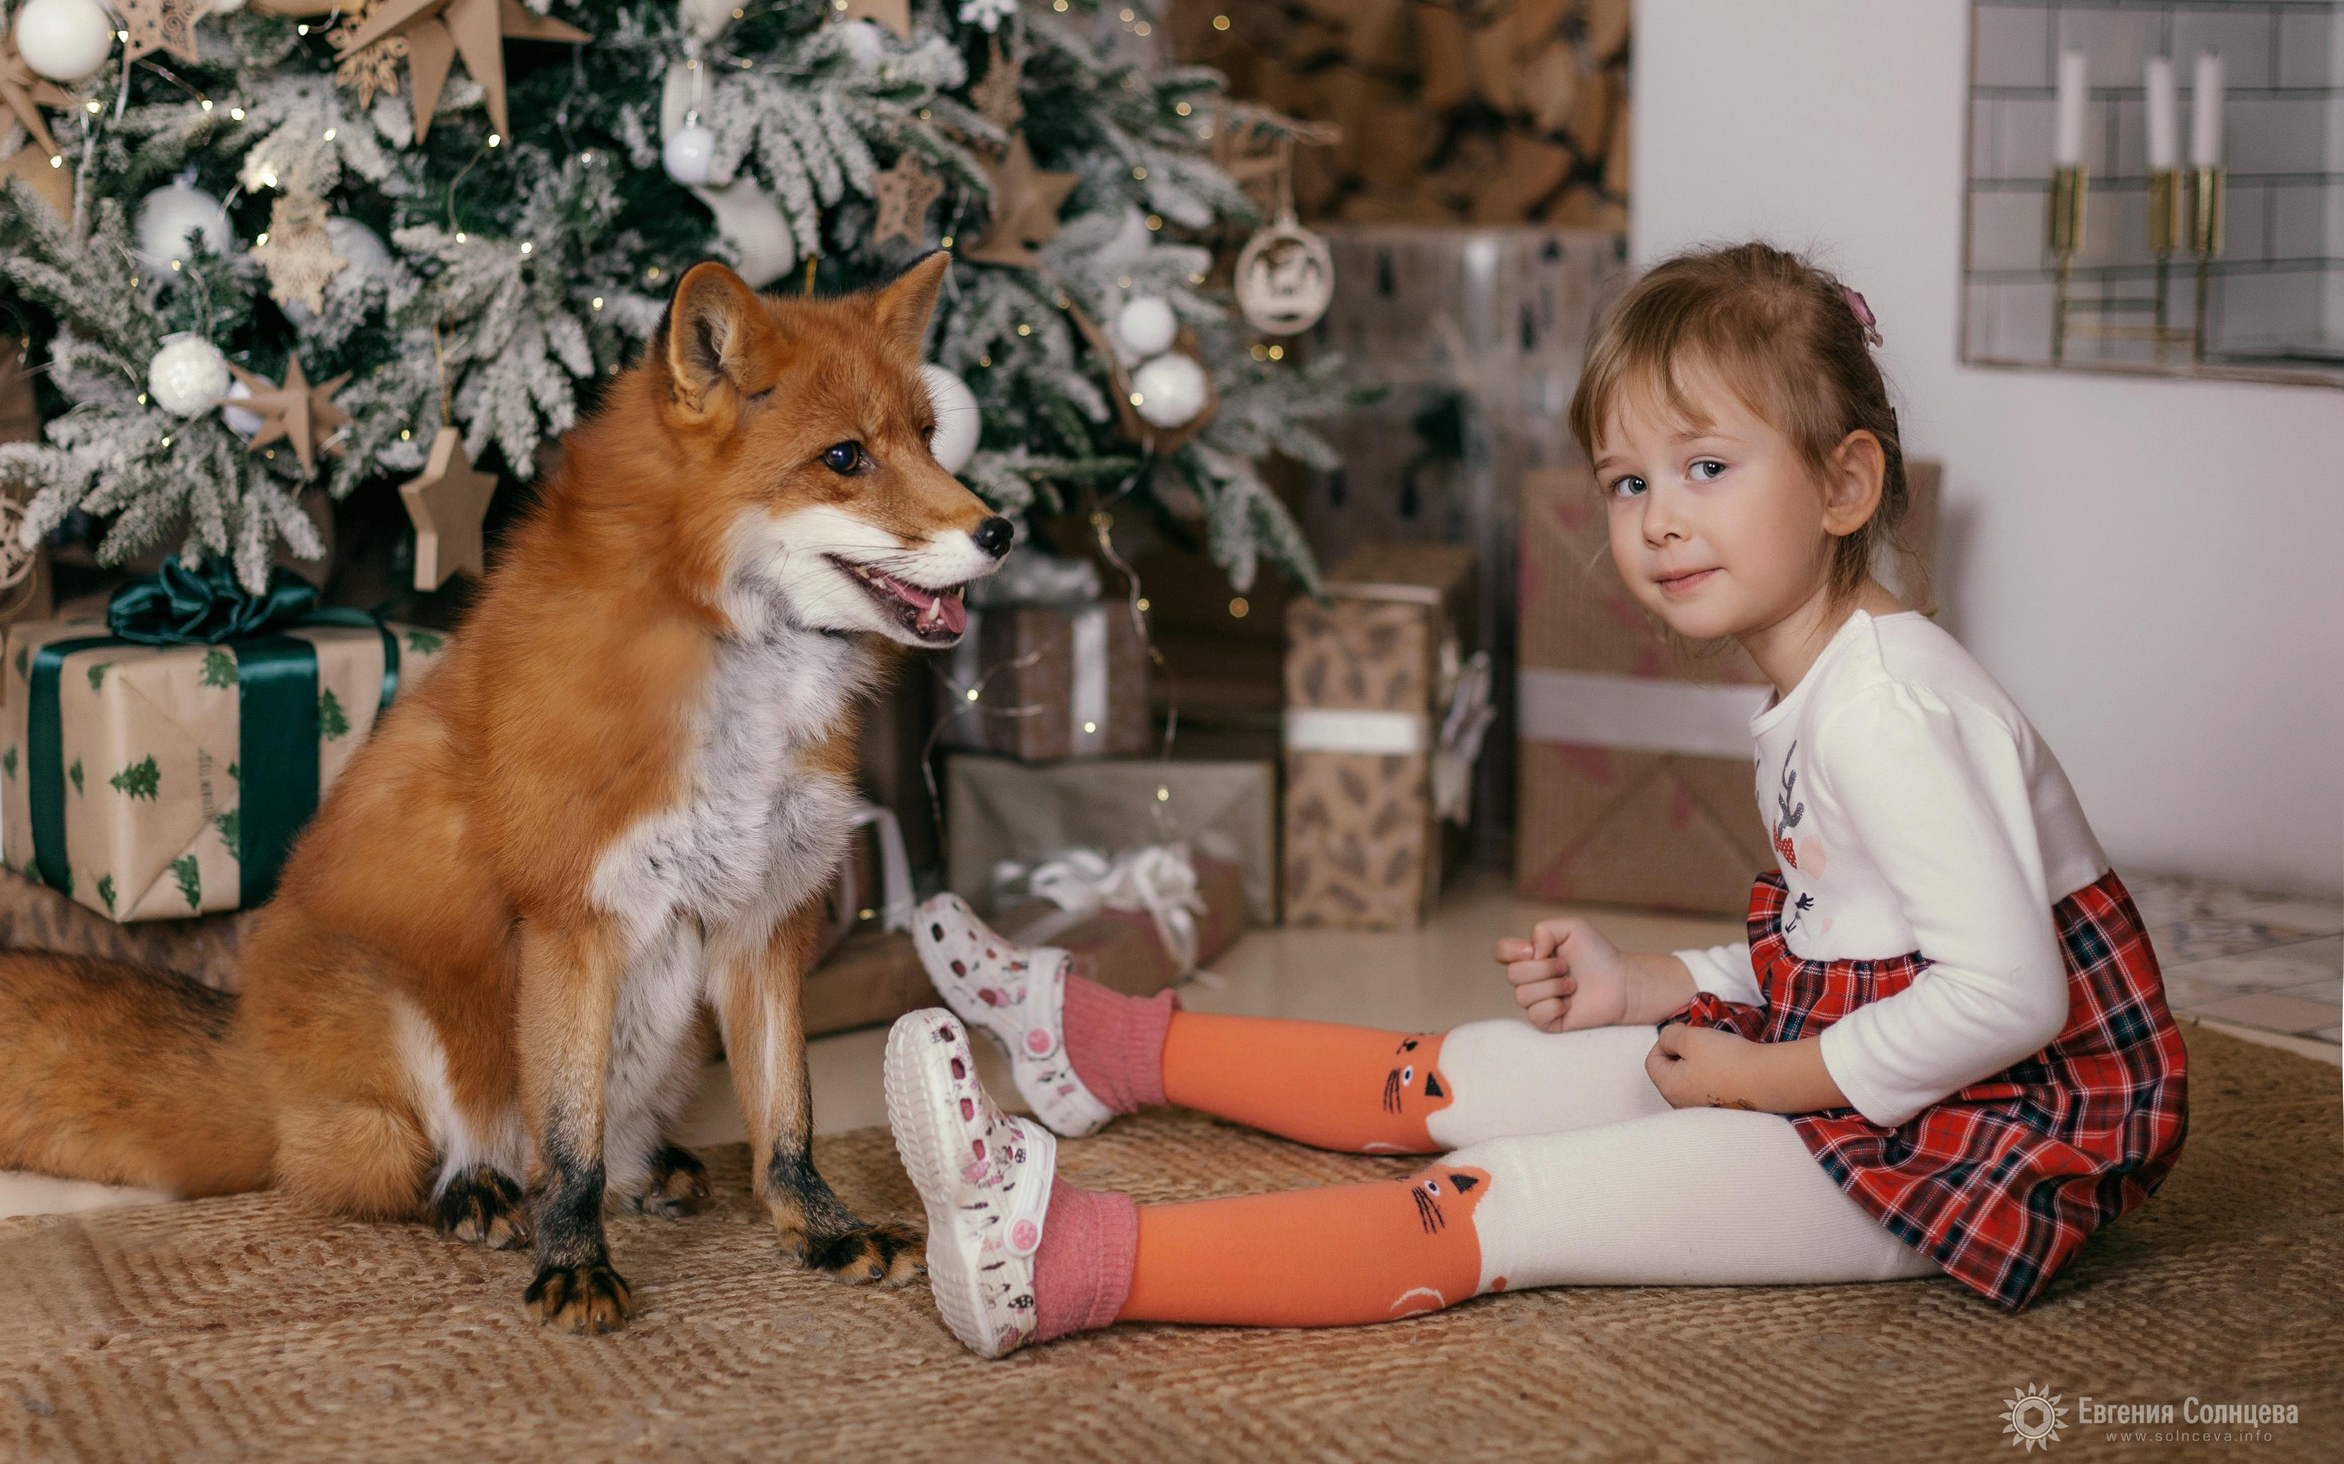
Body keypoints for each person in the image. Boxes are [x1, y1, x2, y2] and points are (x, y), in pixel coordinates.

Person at [882, 241, 2188, 1359]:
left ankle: (1061, 1265)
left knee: (1501, 1197)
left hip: (1977, 1138)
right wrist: (1652, 984)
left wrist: (1762, 1076)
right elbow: (1855, 941)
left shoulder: (1888, 709)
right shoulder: (1829, 679)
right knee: (1464, 1069)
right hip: (1883, 1068)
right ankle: (1103, 1048)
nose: (1658, 520)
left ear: (1844, 485)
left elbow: (2010, 998)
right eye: (1628, 481)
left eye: (1707, 467)